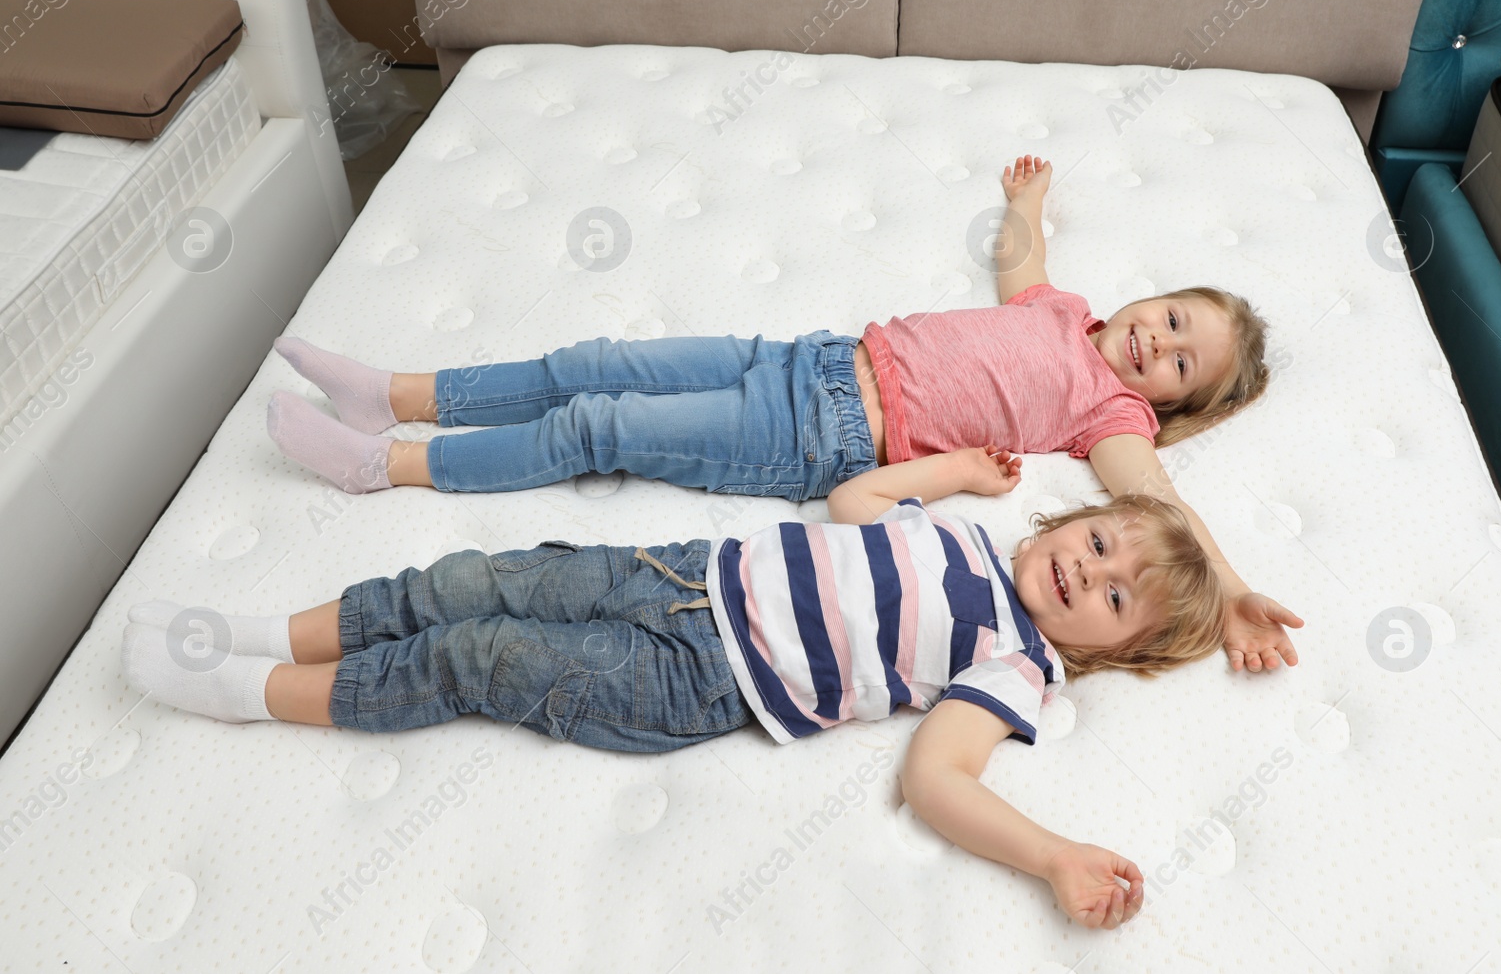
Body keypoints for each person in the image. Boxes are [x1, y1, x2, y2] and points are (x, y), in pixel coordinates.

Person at [120, 447, 1295, 930]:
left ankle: (255, 689)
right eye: (1095, 543)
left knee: (483, 658)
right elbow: (853, 504)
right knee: (472, 577)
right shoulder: (977, 540)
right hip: (682, 570)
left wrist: (1050, 854)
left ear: (1105, 650)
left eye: (1106, 594)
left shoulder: (1011, 665)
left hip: (694, 673)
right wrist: (944, 468)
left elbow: (935, 776)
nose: (1083, 569)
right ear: (1069, 517)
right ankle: (268, 627)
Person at [267, 155, 1299, 672]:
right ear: (1144, 299)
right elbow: (1019, 264)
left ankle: (385, 464)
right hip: (807, 354)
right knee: (595, 361)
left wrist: (1236, 589)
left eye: (1177, 366)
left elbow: (1159, 504)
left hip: (826, 437)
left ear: (1168, 405)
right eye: (1169, 320)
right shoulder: (1065, 314)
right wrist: (1027, 210)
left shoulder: (1107, 413)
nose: (1154, 347)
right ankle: (396, 392)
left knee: (602, 426)